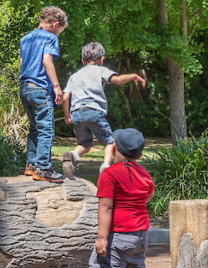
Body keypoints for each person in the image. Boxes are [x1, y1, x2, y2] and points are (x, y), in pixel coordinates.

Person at [88, 128, 156, 268]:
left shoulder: (109, 174)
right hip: (140, 235)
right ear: (140, 155)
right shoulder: (144, 174)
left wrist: (102, 237)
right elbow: (148, 197)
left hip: (119, 234)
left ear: (114, 148)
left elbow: (106, 206)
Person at [62, 42, 146, 175]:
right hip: (93, 110)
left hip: (76, 113)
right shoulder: (101, 70)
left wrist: (67, 115)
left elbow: (65, 97)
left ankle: (72, 155)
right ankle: (106, 167)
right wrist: (134, 76)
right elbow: (117, 80)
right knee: (109, 141)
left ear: (83, 61)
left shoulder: (74, 76)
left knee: (85, 144)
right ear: (101, 59)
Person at [19, 6, 68, 183]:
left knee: (34, 127)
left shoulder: (25, 38)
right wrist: (56, 86)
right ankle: (44, 169)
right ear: (55, 24)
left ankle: (31, 165)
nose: (58, 35)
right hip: (40, 88)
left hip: (24, 87)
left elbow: (22, 63)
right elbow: (47, 60)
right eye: (59, 31)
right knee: (46, 129)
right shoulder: (49, 37)